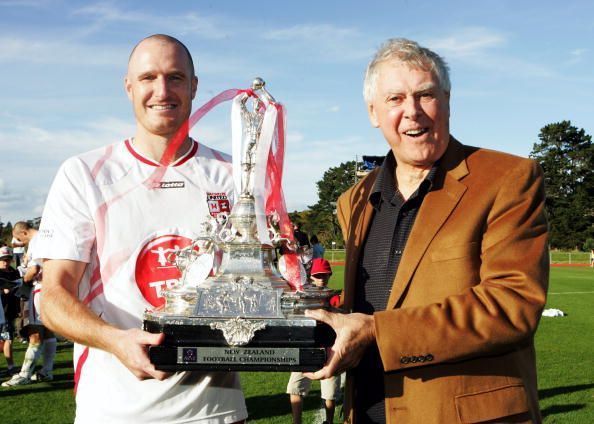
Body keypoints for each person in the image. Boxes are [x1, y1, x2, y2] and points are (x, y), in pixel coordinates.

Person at [305, 38, 549, 423]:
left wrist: (378, 332)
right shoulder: (353, 199)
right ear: (373, 112)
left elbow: (512, 304)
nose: (412, 112)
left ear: (448, 100)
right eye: (395, 99)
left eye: (425, 95)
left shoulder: (508, 178)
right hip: (368, 411)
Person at [35, 34, 247, 423]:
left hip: (216, 411)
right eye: (148, 77)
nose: (162, 90)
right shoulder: (85, 173)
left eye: (176, 77)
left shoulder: (236, 177)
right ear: (128, 86)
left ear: (195, 86)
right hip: (115, 411)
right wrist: (116, 341)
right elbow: (53, 297)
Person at [2, 221, 57, 386]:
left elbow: (34, 270)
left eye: (21, 240)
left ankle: (25, 374)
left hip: (40, 289)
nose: (22, 244)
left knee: (35, 332)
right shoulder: (47, 238)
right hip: (51, 288)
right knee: (48, 332)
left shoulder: (36, 241)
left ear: (24, 233)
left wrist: (21, 283)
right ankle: (46, 371)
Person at [287, 258, 340, 424]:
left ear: (330, 275)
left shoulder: (335, 297)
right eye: (318, 275)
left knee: (329, 392)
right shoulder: (304, 296)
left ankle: (329, 421)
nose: (321, 278)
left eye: (325, 275)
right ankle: (297, 422)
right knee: (295, 387)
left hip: (329, 349)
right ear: (311, 276)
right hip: (306, 348)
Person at [0, 246, 21, 376]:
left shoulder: (14, 272)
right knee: (8, 339)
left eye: (8, 259)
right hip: (1, 310)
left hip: (10, 310)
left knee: (9, 338)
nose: (5, 262)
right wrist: (3, 290)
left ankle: (10, 366)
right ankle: (11, 367)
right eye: (3, 259)